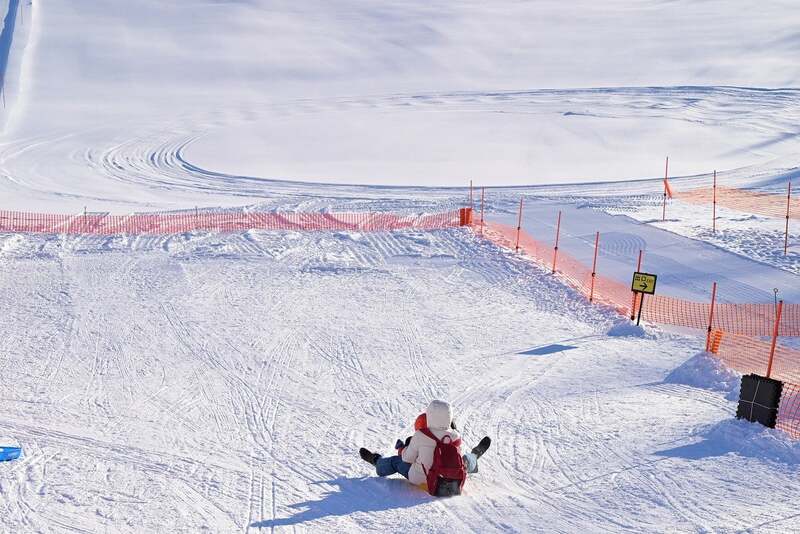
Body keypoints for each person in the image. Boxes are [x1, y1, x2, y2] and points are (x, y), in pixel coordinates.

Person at [359, 400, 491, 490]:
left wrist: (404, 449)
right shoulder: (456, 436)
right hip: (453, 482)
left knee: (396, 461)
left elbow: (407, 459)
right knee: (465, 461)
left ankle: (377, 461)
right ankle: (475, 455)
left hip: (424, 481)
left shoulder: (421, 435)